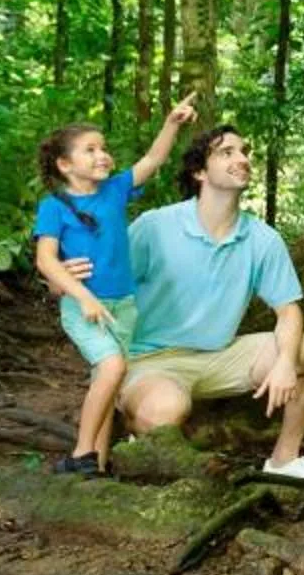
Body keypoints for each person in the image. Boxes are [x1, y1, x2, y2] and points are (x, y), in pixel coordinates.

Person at [84, 123, 304, 483]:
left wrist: (284, 361)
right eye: (227, 152)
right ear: (200, 172)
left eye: (244, 152)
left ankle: (284, 459)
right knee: (164, 410)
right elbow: (105, 287)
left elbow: (288, 310)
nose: (242, 159)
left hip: (220, 357)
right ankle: (126, 426)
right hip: (149, 360)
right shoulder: (155, 226)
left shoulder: (262, 239)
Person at [30, 96, 197, 477]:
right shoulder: (54, 205)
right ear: (65, 164)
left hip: (124, 305)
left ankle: (98, 464)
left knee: (107, 376)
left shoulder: (114, 191)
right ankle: (81, 454)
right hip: (85, 306)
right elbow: (46, 260)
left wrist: (172, 123)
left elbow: (152, 161)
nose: (102, 155)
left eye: (103, 148)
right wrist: (84, 297)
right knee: (112, 365)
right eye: (90, 150)